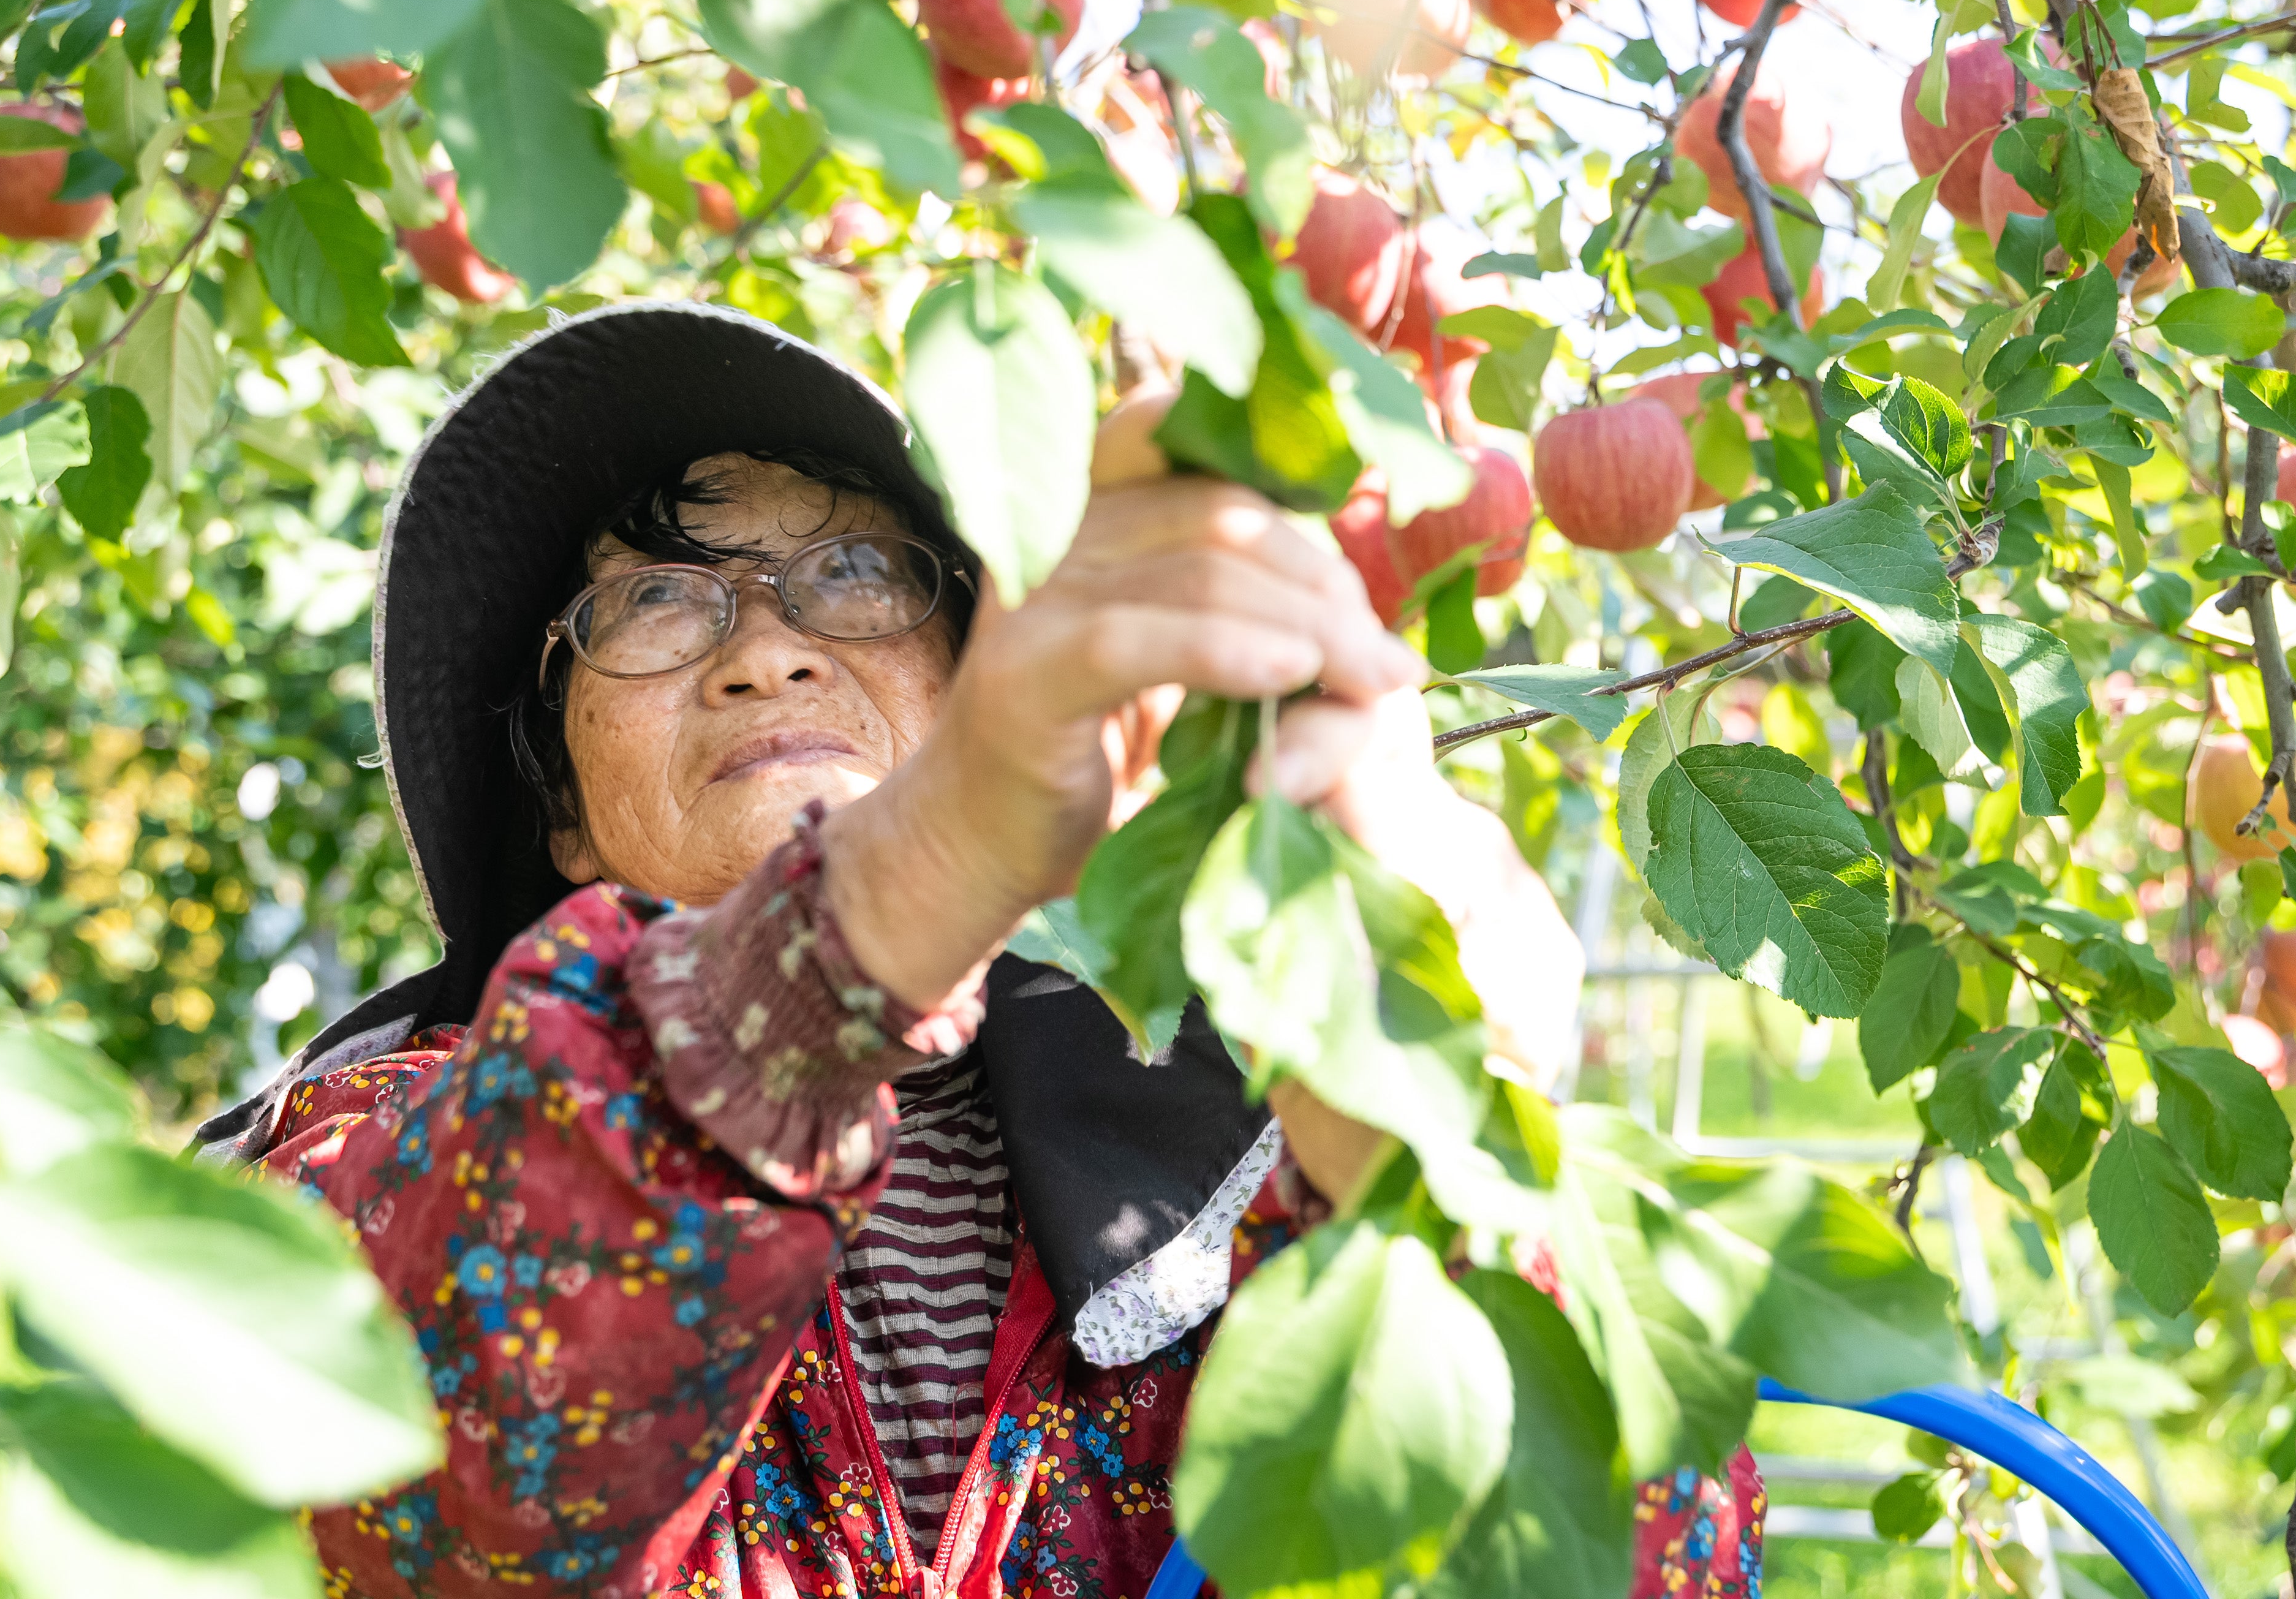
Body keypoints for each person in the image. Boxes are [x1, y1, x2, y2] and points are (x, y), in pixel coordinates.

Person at [197, 303, 1764, 1598]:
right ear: (567, 820)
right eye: (657, 603)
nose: (767, 648)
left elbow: (1647, 1562)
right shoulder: (381, 1156)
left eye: (856, 571)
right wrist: (904, 874)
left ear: (972, 670)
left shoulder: (1226, 1158)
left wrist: (1452, 1200)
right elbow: (429, 1477)